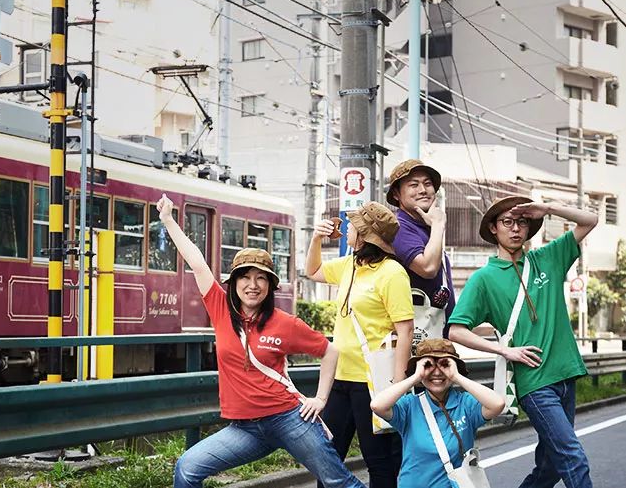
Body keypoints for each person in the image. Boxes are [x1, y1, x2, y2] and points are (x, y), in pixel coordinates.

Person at [158, 194, 364, 488]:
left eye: (261, 278)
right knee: (187, 468)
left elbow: (330, 351)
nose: (252, 285)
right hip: (245, 429)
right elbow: (198, 263)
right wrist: (168, 219)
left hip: (289, 419)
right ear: (234, 283)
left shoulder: (285, 322)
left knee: (338, 482)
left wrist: (320, 399)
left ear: (270, 285)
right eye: (245, 277)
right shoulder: (220, 308)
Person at [447, 195, 598, 488]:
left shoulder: (548, 257)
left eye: (522, 222)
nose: (515, 228)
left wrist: (548, 208)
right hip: (534, 382)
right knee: (573, 457)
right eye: (507, 222)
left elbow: (590, 220)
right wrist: (503, 350)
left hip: (566, 372)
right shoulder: (483, 279)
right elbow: (456, 331)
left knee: (551, 466)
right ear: (493, 228)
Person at [306, 201, 415, 488]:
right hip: (339, 377)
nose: (347, 229)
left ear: (365, 235)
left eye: (353, 226)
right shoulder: (349, 265)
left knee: (379, 461)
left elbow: (405, 330)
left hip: (373, 382)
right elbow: (313, 271)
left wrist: (397, 384)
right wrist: (316, 238)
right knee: (328, 457)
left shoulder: (392, 273)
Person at [371, 338, 505, 488]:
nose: (436, 373)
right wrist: (416, 376)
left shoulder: (465, 403)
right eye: (428, 365)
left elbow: (497, 404)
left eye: (444, 365)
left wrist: (456, 376)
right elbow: (377, 405)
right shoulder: (410, 405)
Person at [386, 160, 454, 341]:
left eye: (427, 183)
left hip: (433, 336)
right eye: (413, 185)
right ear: (396, 194)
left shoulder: (424, 227)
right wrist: (438, 224)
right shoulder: (399, 227)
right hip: (414, 339)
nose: (423, 190)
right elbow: (428, 268)